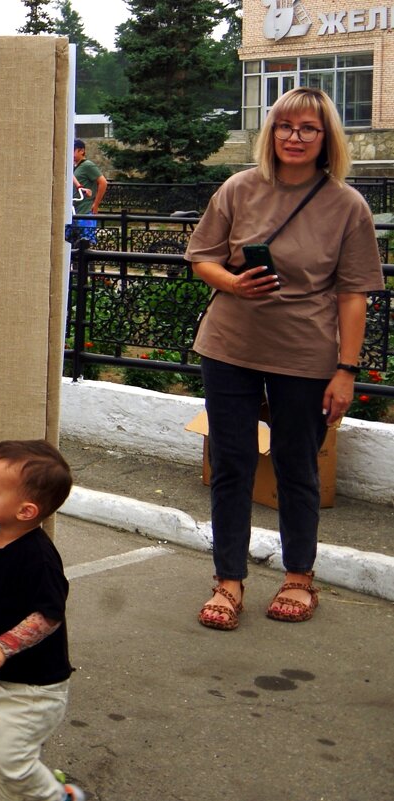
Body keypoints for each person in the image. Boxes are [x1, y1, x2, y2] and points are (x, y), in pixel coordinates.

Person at [186, 87, 384, 630]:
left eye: (308, 129)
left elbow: (352, 294)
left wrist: (346, 370)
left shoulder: (347, 205)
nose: (294, 137)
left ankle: (299, 576)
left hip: (305, 354)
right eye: (284, 126)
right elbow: (202, 256)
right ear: (270, 132)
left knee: (298, 465)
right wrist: (233, 282)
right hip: (229, 346)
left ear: (326, 139)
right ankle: (228, 580)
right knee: (232, 464)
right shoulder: (239, 188)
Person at [0, 440, 86, 801]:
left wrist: (1, 645)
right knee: (1, 758)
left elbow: (49, 616)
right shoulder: (4, 533)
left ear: (25, 510)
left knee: (10, 761)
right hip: (3, 680)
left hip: (33, 689)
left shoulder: (38, 558)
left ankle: (58, 796)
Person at [72, 138, 107, 239]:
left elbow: (103, 182)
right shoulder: (75, 167)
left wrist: (96, 204)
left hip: (85, 210)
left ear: (81, 151)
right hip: (77, 210)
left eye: (73, 151)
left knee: (85, 241)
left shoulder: (88, 165)